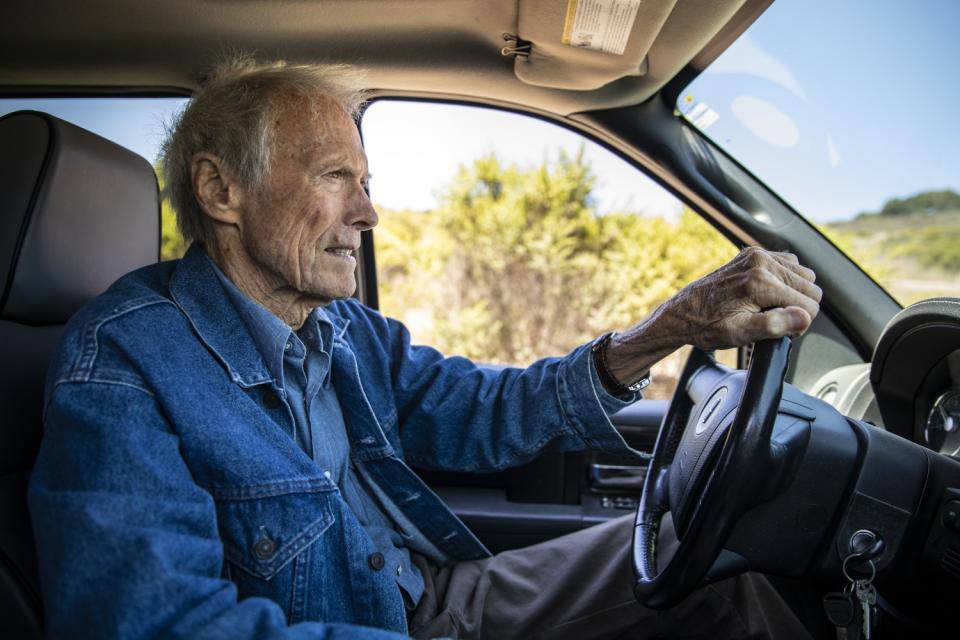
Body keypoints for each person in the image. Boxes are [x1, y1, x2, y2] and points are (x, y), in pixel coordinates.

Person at [28, 58, 822, 639]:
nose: (369, 213)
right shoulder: (122, 368)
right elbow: (165, 628)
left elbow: (486, 410)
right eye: (338, 176)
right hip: (386, 628)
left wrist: (668, 328)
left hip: (434, 600)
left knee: (720, 556)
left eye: (365, 181)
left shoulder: (341, 329)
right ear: (221, 191)